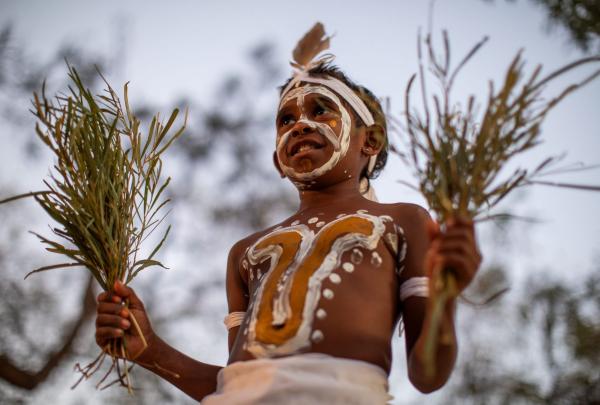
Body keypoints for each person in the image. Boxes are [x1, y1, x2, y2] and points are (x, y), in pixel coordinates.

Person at [95, 23, 481, 404]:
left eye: (321, 110)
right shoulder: (244, 253)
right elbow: (233, 384)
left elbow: (428, 375)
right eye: (286, 120)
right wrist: (150, 351)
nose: (300, 125)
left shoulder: (405, 222)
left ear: (371, 141)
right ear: (277, 161)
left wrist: (446, 295)